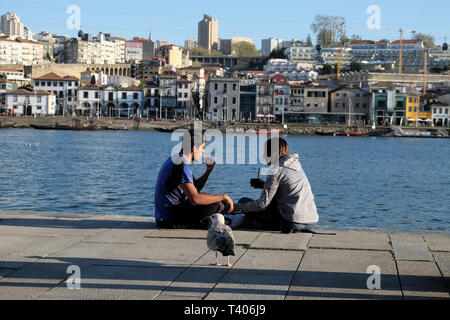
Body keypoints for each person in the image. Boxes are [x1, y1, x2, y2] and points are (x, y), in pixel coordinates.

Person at [230, 138, 319, 233]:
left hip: (291, 221)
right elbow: (287, 190)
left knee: (243, 201)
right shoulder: (295, 165)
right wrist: (264, 185)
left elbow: (262, 204)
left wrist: (235, 207)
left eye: (265, 152)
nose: (263, 156)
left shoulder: (275, 170)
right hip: (310, 221)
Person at [154, 129, 234, 229]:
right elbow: (195, 199)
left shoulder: (177, 159)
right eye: (203, 148)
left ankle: (208, 220)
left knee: (205, 197)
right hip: (169, 219)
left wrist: (208, 171)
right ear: (194, 148)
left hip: (166, 215)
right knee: (218, 204)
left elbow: (194, 189)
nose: (204, 151)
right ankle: (209, 221)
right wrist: (223, 196)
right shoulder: (181, 166)